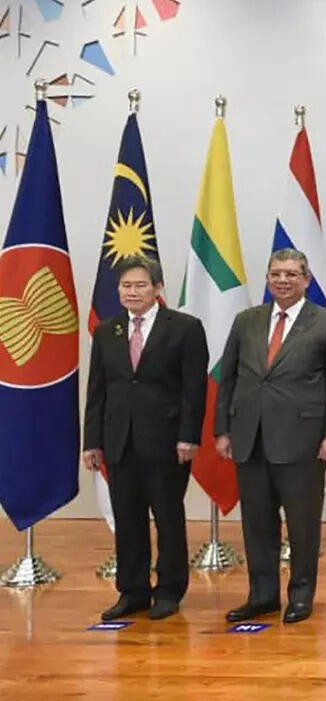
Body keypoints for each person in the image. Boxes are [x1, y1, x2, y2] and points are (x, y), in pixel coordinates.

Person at [215, 249, 326, 625]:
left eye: (292, 274)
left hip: (303, 440)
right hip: (250, 438)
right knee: (257, 523)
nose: (283, 280)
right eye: (276, 273)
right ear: (267, 278)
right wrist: (223, 429)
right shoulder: (246, 320)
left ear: (306, 280)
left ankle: (301, 595)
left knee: (302, 524)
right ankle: (262, 596)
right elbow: (228, 377)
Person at [83, 256, 208, 621]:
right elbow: (97, 390)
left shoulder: (184, 328)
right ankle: (132, 591)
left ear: (157, 288)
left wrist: (188, 436)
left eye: (140, 285)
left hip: (167, 441)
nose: (132, 292)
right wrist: (92, 441)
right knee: (127, 519)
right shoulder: (107, 331)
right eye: (126, 286)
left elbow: (194, 389)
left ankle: (169, 590)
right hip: (119, 441)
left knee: (168, 517)